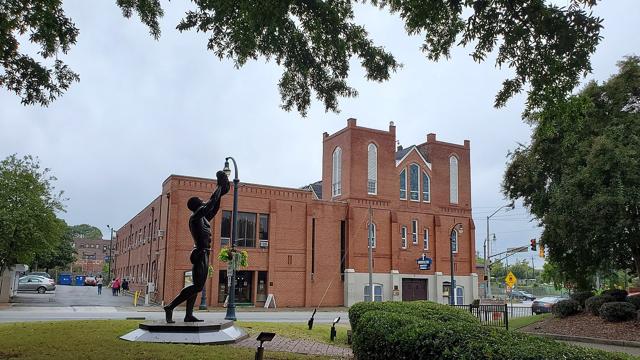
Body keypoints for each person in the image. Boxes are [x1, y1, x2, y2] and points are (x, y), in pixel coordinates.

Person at [164, 170, 230, 323]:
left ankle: (188, 315)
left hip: (203, 253)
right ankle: (170, 306)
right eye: (201, 200)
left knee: (196, 285)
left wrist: (221, 191)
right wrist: (219, 186)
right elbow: (211, 203)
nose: (204, 201)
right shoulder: (195, 217)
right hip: (200, 253)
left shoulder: (203, 218)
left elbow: (214, 206)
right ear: (197, 205)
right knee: (198, 287)